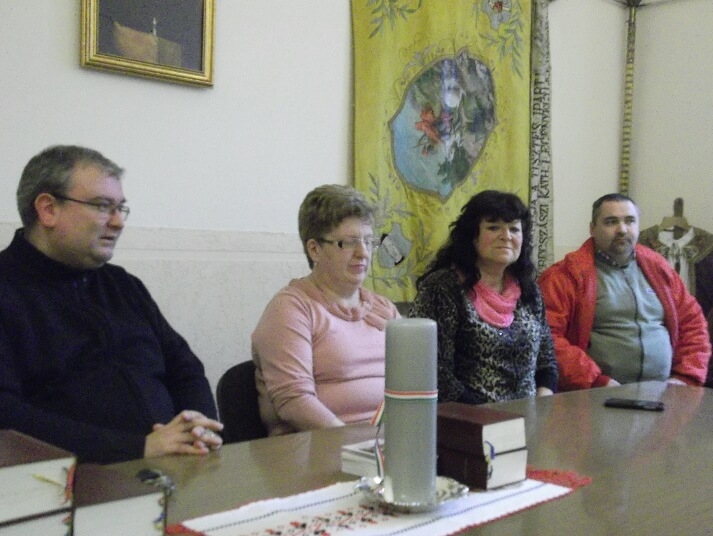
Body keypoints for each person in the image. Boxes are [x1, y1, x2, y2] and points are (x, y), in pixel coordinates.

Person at [0, 145, 222, 464]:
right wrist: (138, 448)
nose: (118, 222)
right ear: (48, 209)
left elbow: (185, 368)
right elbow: (7, 417)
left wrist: (197, 429)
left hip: (180, 466)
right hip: (73, 480)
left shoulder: (122, 285)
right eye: (103, 206)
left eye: (121, 208)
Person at [252, 184, 399, 436]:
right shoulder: (291, 309)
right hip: (322, 448)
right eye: (348, 243)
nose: (363, 253)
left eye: (368, 241)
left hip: (390, 443)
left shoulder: (383, 308)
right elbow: (294, 402)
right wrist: (356, 445)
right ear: (314, 249)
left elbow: (414, 385)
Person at [538, 193, 711, 391]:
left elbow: (693, 324)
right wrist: (597, 382)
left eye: (630, 221)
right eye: (611, 222)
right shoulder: (565, 275)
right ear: (592, 228)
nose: (622, 229)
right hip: (594, 396)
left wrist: (685, 377)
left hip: (665, 396)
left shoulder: (659, 268)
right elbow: (548, 338)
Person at [410, 190, 558, 404]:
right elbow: (434, 373)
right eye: (493, 227)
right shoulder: (442, 287)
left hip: (529, 415)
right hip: (466, 417)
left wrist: (542, 404)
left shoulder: (530, 291)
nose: (506, 236)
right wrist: (489, 415)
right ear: (472, 236)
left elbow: (547, 361)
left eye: (514, 229)